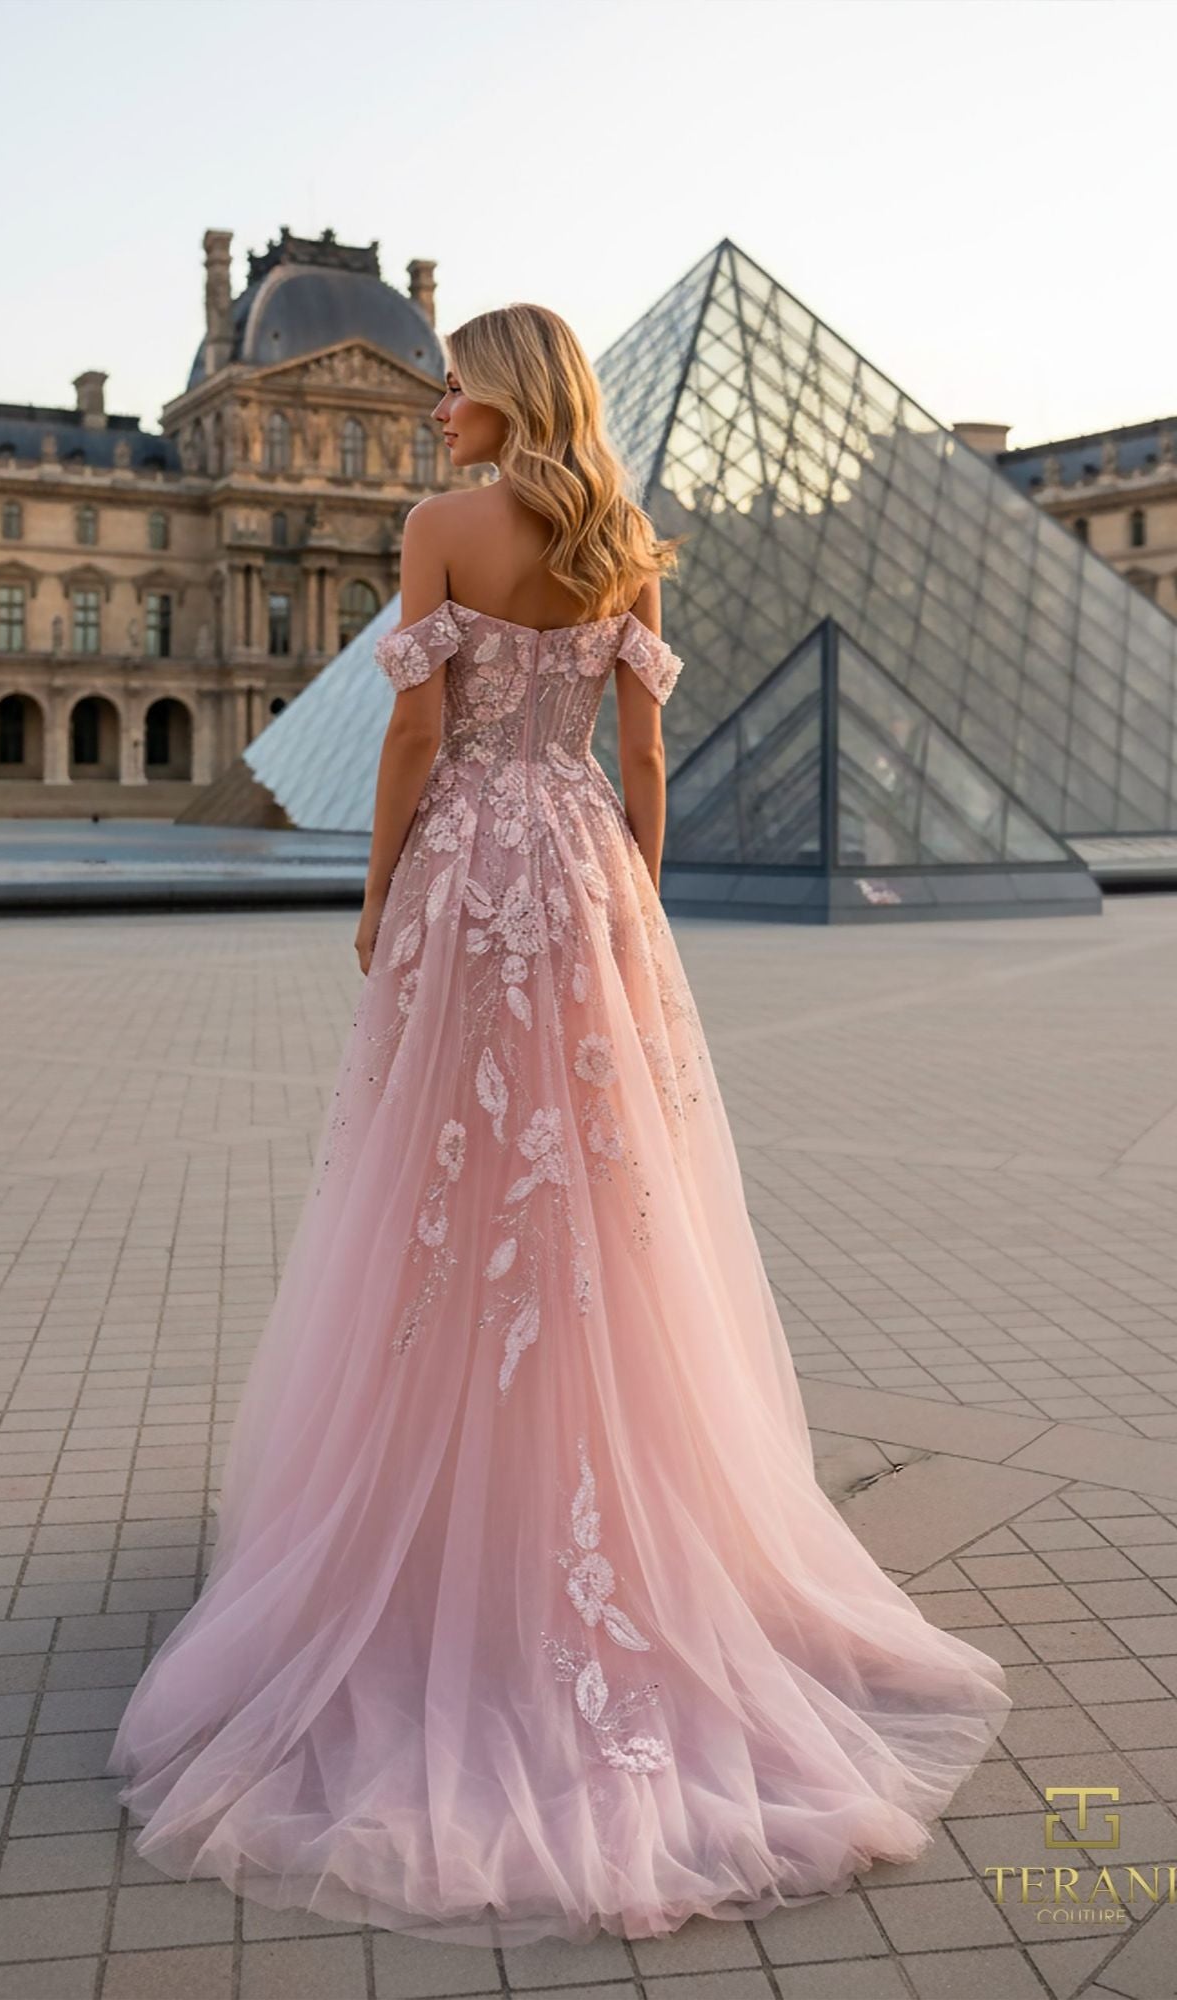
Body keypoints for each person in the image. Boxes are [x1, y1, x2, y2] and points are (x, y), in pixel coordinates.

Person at [106, 303, 1011, 1951]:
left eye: (454, 384)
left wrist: (380, 890)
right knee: (600, 1199)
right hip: (585, 877)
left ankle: (440, 1510)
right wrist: (633, 903)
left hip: (470, 873)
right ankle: (600, 1508)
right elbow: (645, 750)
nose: (437, 406)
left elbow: (410, 733)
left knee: (437, 1184)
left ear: (506, 396)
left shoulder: (440, 527)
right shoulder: (623, 541)